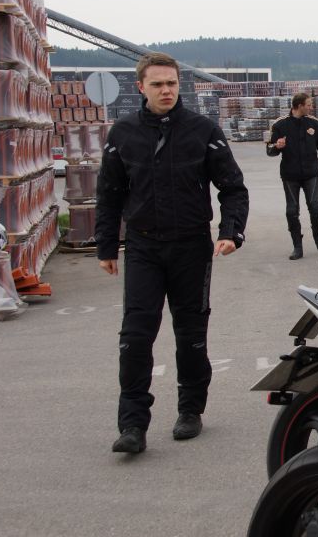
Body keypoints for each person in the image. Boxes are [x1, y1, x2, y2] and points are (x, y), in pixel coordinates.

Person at [95, 52, 249, 454]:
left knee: (191, 336)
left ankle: (190, 410)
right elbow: (109, 194)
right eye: (158, 84)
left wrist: (231, 232)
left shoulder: (203, 130)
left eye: (172, 83)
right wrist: (106, 245)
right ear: (141, 87)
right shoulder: (123, 133)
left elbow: (233, 188)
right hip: (143, 246)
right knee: (135, 337)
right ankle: (132, 425)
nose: (166, 90)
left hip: (190, 246)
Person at [267, 93, 318, 260]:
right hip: (290, 175)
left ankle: (317, 233)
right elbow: (270, 150)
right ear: (299, 106)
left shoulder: (315, 124)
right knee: (292, 211)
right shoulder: (280, 124)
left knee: (315, 207)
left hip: (311, 174)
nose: (311, 107)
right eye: (308, 104)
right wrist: (277, 146)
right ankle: (297, 246)